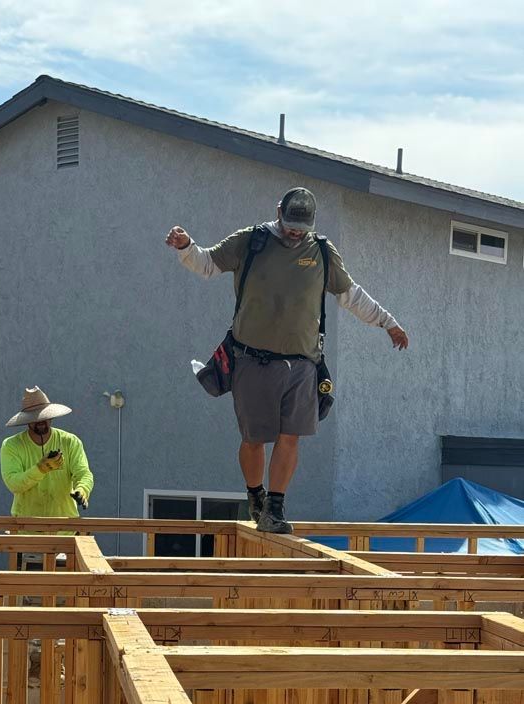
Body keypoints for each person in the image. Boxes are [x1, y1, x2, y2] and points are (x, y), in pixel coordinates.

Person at [166, 187, 409, 533]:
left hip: (303, 363)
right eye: (290, 223)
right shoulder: (252, 240)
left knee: (291, 436)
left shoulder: (322, 251)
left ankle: (275, 509)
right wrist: (187, 247)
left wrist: (388, 322)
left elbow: (350, 294)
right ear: (278, 211)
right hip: (252, 360)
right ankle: (256, 495)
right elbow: (207, 264)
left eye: (301, 227)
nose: (295, 232)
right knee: (253, 439)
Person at [0, 386, 93, 519]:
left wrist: (82, 490)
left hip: (65, 528)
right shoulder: (11, 445)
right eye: (35, 418)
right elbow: (14, 484)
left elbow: (83, 473)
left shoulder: (70, 442)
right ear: (27, 420)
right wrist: (40, 469)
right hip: (27, 530)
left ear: (51, 417)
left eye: (44, 416)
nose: (40, 422)